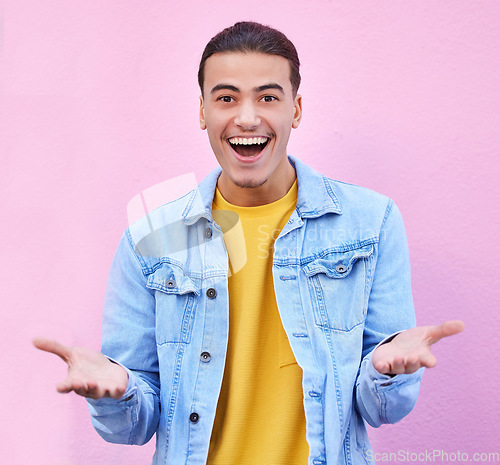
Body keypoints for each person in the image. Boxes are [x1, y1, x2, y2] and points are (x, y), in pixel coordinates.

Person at [34, 21, 464, 465]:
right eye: (226, 98)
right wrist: (116, 393)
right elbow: (133, 426)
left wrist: (385, 371)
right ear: (202, 111)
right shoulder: (154, 237)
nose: (246, 117)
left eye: (268, 97)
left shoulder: (370, 223)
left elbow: (383, 410)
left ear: (296, 109)